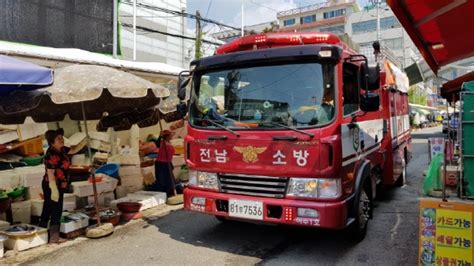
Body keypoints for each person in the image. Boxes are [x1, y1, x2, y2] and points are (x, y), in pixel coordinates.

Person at [39, 128, 70, 244]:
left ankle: (41, 232)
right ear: (52, 142)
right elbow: (50, 173)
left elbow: (73, 150)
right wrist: (54, 189)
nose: (62, 140)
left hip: (59, 184)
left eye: (62, 138)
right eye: (58, 139)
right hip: (51, 184)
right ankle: (54, 237)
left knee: (48, 207)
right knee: (56, 209)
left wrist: (85, 142)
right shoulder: (51, 155)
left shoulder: (61, 150)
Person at [152, 130, 176, 196]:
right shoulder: (162, 142)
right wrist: (160, 136)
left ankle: (169, 194)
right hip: (161, 164)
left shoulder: (169, 143)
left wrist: (171, 164)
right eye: (170, 135)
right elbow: (157, 145)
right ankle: (161, 194)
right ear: (167, 136)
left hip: (167, 163)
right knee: (161, 181)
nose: (171, 136)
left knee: (170, 180)